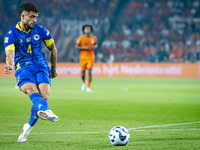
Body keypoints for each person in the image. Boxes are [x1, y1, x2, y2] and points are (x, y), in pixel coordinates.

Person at [4, 3, 59, 143]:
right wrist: (10, 65)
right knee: (30, 90)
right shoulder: (11, 34)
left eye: (36, 17)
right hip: (23, 67)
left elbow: (53, 49)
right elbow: (9, 54)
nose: (35, 20)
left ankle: (28, 127)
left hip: (41, 65)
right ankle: (47, 111)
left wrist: (53, 70)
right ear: (23, 16)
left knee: (44, 96)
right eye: (32, 17)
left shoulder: (41, 30)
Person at [75, 25, 98, 92]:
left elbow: (95, 45)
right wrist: (84, 48)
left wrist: (94, 47)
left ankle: (88, 87)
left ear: (91, 30)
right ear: (84, 30)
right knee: (83, 73)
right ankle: (83, 82)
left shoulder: (93, 38)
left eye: (89, 29)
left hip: (90, 57)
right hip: (83, 57)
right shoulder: (81, 38)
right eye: (86, 29)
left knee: (90, 71)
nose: (87, 30)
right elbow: (77, 46)